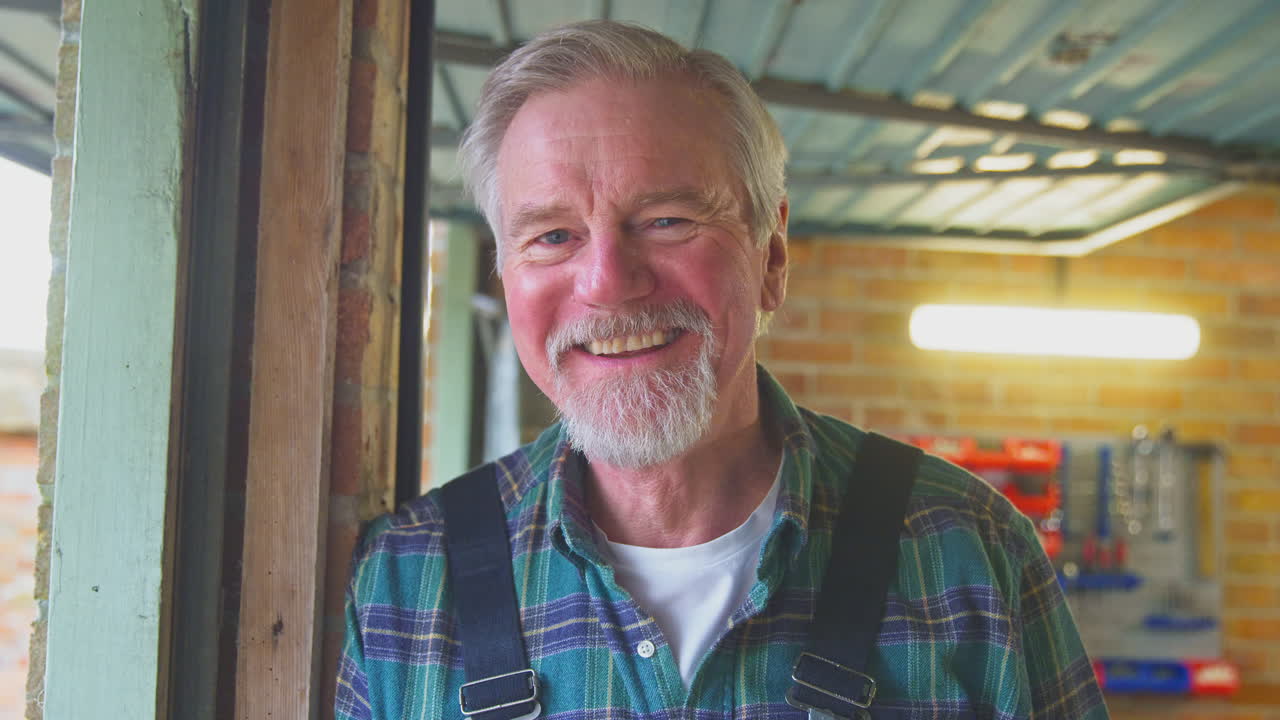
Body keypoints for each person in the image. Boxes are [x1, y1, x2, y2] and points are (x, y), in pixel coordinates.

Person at [336, 20, 1107, 720]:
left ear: (770, 257)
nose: (607, 282)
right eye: (552, 236)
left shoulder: (968, 553)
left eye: (667, 220)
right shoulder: (408, 582)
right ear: (505, 272)